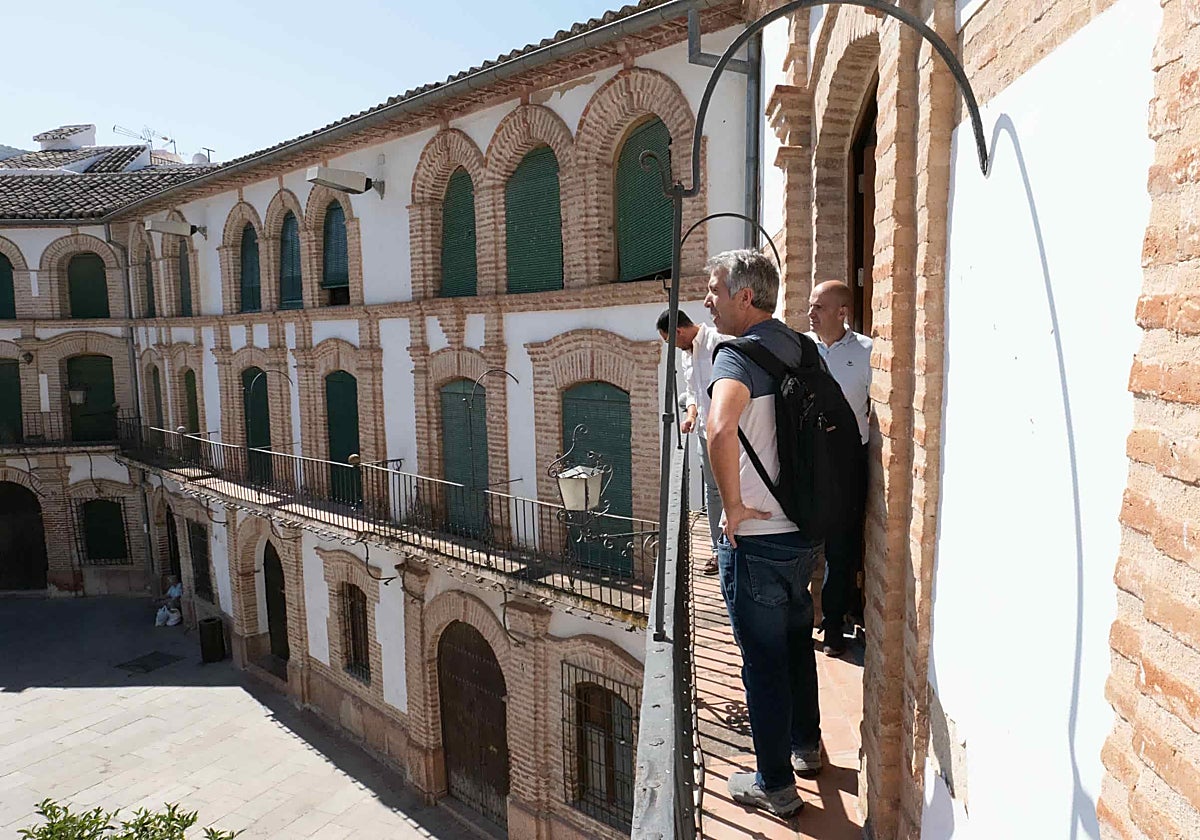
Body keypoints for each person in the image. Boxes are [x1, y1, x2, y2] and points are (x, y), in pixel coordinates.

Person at [704, 249, 822, 817]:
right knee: (799, 644)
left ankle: (775, 785)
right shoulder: (802, 347)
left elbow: (719, 428)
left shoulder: (736, 357)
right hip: (806, 532)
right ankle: (807, 747)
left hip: (759, 540)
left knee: (764, 663)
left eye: (715, 291)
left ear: (744, 297)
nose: (708, 301)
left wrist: (732, 508)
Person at [806, 281, 871, 657]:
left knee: (841, 550)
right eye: (811, 306)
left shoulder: (867, 352)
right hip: (808, 462)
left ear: (841, 312)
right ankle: (800, 623)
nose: (810, 313)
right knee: (801, 542)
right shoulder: (800, 350)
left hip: (849, 464)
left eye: (818, 307)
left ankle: (833, 627)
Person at [656, 308, 731, 575]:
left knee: (733, 489)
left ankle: (736, 546)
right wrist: (690, 416)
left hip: (730, 435)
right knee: (713, 492)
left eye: (670, 341)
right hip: (704, 433)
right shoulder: (688, 356)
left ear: (678, 331)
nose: (672, 347)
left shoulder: (718, 343)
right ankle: (717, 550)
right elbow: (692, 393)